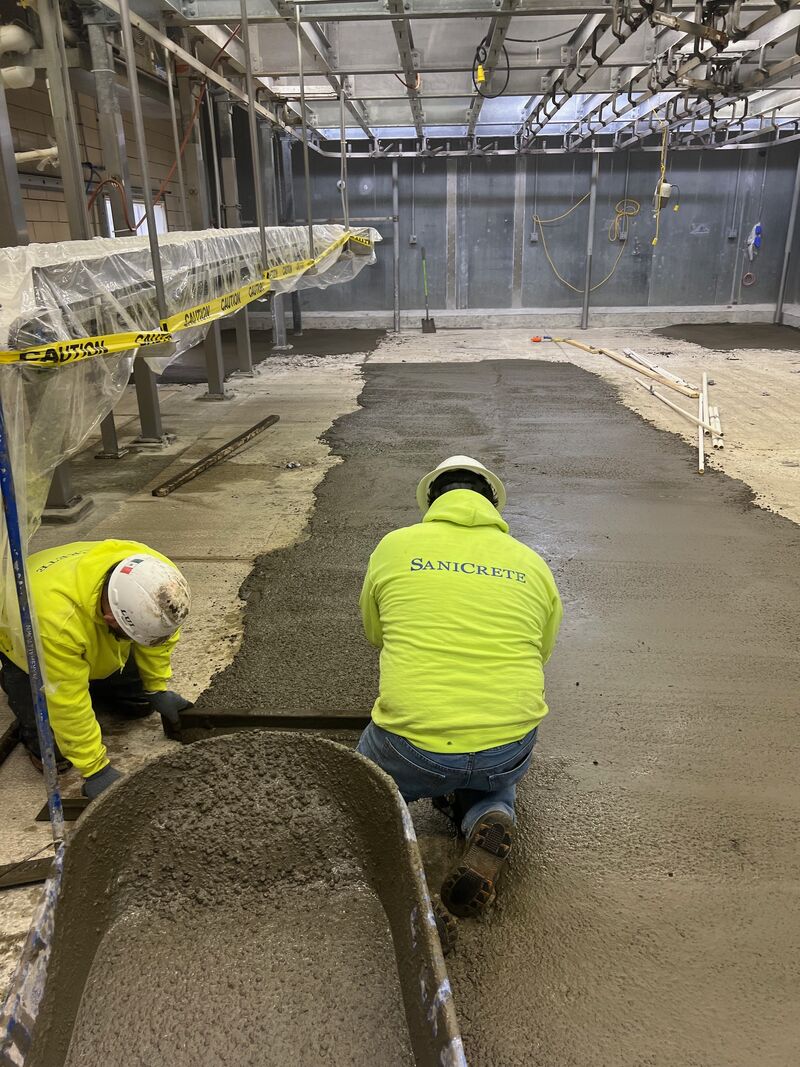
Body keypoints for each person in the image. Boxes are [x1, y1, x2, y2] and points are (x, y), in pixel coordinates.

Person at [357, 456, 562, 922]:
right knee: (491, 779)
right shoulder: (531, 562)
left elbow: (376, 633)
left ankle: (385, 830)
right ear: (492, 503)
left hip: (413, 744)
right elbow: (541, 651)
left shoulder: (394, 547)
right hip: (507, 743)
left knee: (369, 782)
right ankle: (490, 819)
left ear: (431, 501)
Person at [0, 540, 191, 799]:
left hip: (82, 601)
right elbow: (66, 700)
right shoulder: (52, 624)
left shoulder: (158, 578)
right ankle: (27, 710)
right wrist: (95, 769)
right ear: (110, 619)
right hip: (25, 638)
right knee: (55, 749)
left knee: (138, 704)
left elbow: (159, 638)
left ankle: (92, 680)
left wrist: (157, 687)